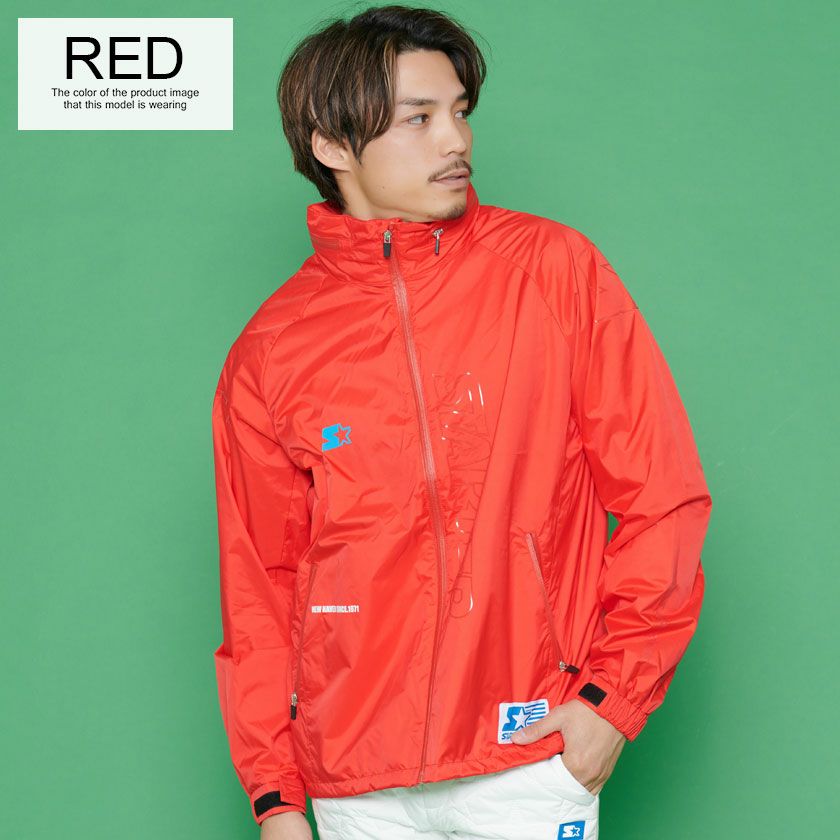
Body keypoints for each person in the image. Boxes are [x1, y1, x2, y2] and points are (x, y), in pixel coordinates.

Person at [210, 5, 713, 839]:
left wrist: (612, 702)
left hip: (527, 758)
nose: (456, 140)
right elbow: (261, 585)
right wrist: (275, 795)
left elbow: (663, 496)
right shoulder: (272, 348)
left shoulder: (553, 272)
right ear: (332, 146)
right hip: (353, 783)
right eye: (419, 118)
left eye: (460, 112)